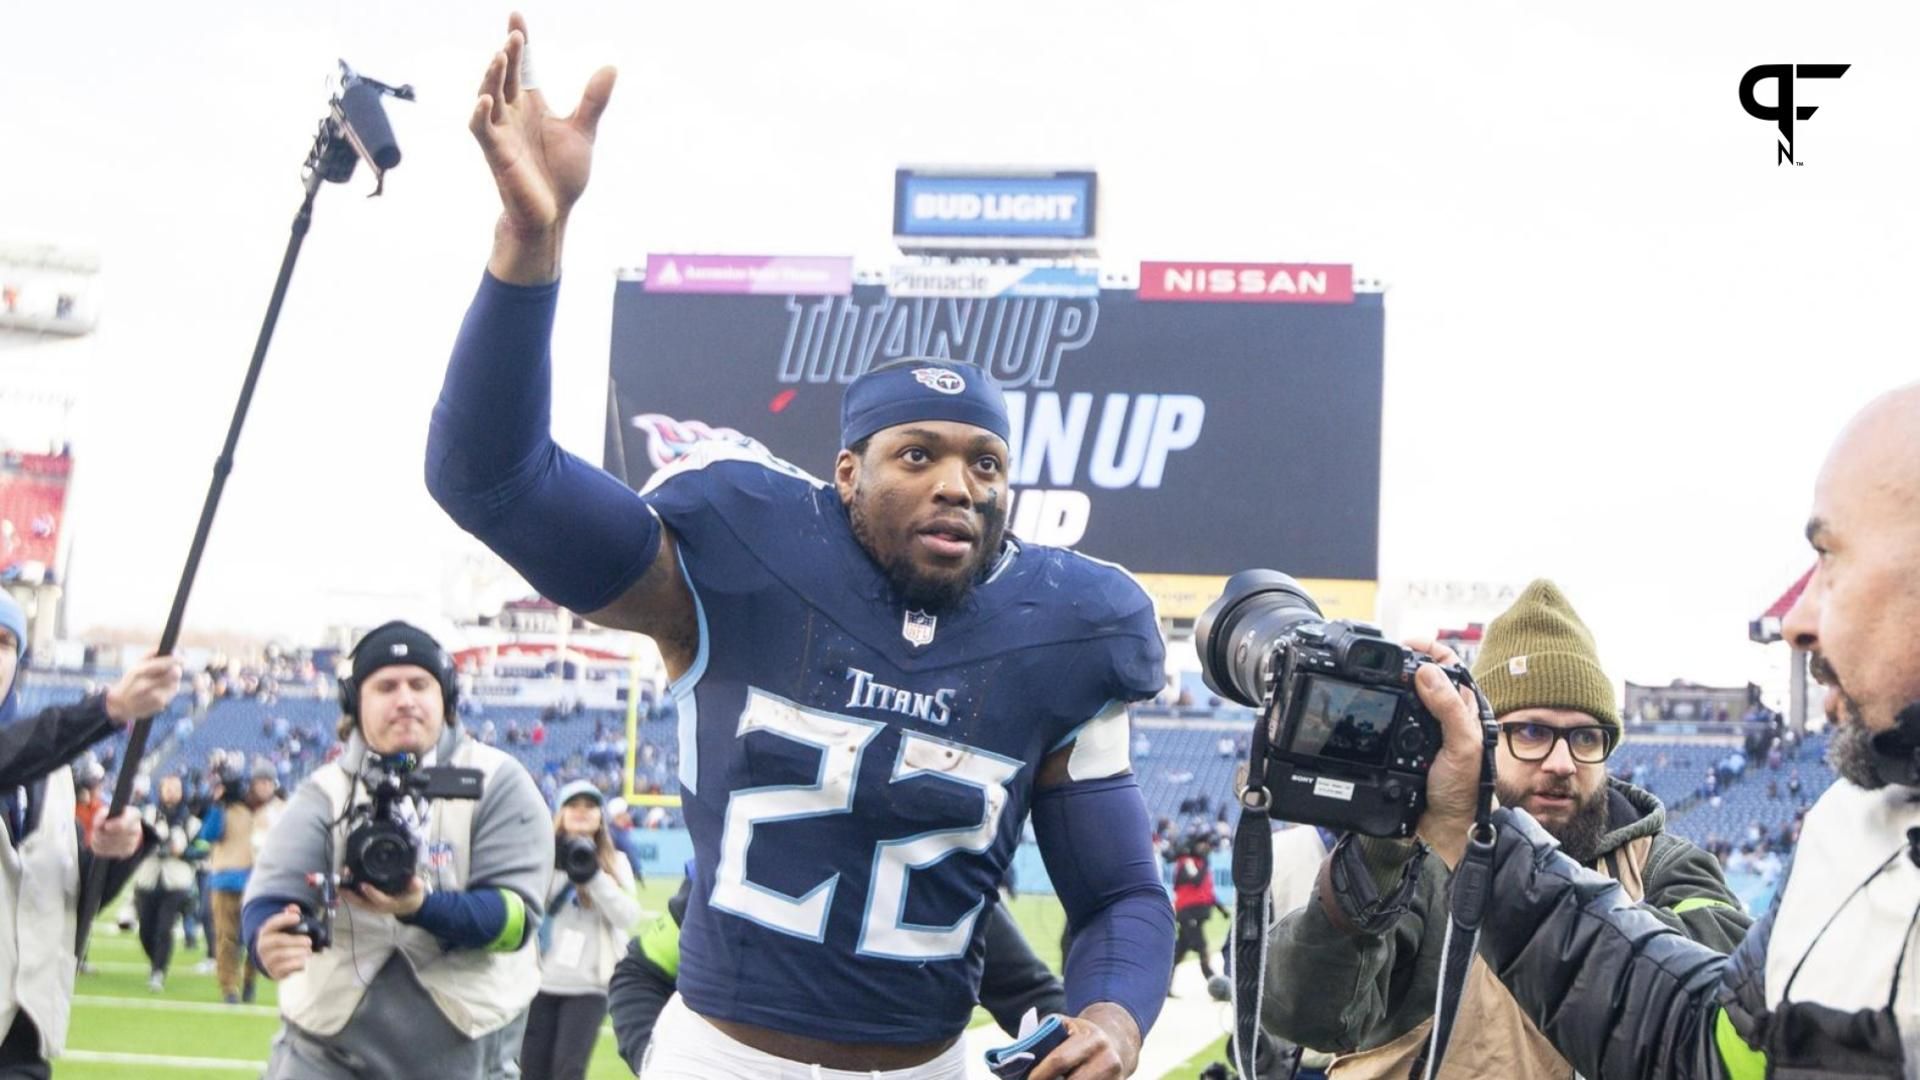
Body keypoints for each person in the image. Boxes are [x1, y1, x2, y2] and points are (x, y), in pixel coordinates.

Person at [427, 16, 1173, 1078]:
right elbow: (489, 479)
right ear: (846, 474)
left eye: (986, 465)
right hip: (722, 1056)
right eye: (917, 454)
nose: (958, 482)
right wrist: (528, 245)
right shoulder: (735, 562)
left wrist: (1113, 1015)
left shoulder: (1070, 630)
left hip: (929, 1064)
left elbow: (1119, 896)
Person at [1403, 383, 1920, 1079]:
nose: (1799, 621)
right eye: (1530, 731)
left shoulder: (1675, 862)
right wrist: (1463, 830)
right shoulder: (1857, 826)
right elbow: (1701, 1047)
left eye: (1831, 558)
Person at [1261, 580, 1750, 1078]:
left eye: (1586, 737)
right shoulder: (1423, 866)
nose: (1562, 763)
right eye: (1532, 732)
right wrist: (1377, 860)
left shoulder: (1666, 865)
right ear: (1480, 738)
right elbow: (1305, 1017)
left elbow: (1723, 1003)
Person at [241, 621, 552, 1079]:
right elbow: (271, 893)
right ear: (355, 703)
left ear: (446, 697)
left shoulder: (499, 781)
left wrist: (421, 905)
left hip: (465, 1047)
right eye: (386, 686)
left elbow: (515, 921)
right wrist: (265, 937)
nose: (405, 699)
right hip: (327, 1046)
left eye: (419, 684)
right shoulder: (324, 791)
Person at [607, 868, 1069, 1073]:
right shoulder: (741, 866)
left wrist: (1079, 1047)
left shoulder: (947, 890)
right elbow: (642, 971)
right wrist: (657, 1060)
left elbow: (1038, 1001)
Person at [0, 591, 183, 1077]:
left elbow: (65, 901)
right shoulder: (37, 751)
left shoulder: (54, 774)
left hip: (22, 1037)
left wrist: (114, 852)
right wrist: (111, 707)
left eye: (2, 642)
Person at [519, 780, 640, 1080]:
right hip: (539, 980)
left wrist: (594, 875)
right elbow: (526, 905)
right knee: (531, 1071)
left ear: (601, 816)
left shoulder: (615, 862)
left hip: (589, 986)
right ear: (560, 812)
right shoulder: (540, 854)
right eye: (573, 805)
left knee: (569, 1071)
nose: (582, 812)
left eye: (590, 807)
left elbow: (627, 917)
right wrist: (557, 860)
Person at [198, 757, 268, 1004]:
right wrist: (217, 804)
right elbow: (208, 834)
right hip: (226, 878)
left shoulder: (263, 811)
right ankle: (229, 987)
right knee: (226, 937)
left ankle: (249, 979)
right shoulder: (223, 810)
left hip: (255, 880)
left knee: (254, 938)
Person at [132, 773, 202, 992]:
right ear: (160, 790)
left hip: (176, 880)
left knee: (164, 927)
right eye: (167, 787)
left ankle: (158, 970)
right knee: (145, 929)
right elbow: (135, 844)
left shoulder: (191, 821)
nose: (171, 792)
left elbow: (202, 852)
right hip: (148, 878)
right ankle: (156, 961)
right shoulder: (148, 815)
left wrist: (181, 851)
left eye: (176, 788)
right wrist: (152, 846)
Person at [1170, 836, 1227, 984]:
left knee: (1180, 950)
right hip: (1188, 913)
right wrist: (1205, 865)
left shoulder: (1201, 864)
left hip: (1195, 915)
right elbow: (1195, 880)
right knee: (1202, 947)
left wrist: (1221, 910)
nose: (1205, 848)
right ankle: (1214, 981)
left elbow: (1207, 893)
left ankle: (1164, 983)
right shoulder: (1187, 863)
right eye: (1202, 845)